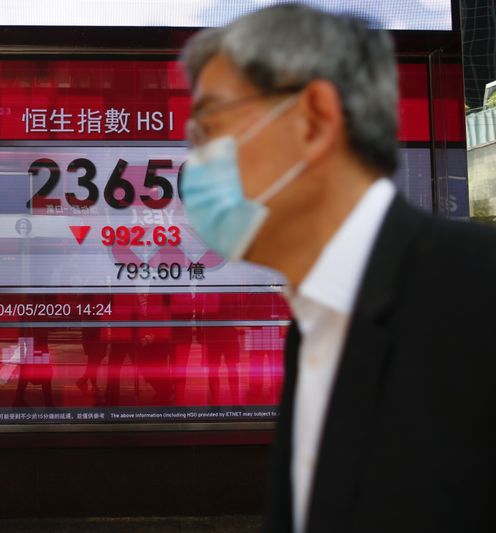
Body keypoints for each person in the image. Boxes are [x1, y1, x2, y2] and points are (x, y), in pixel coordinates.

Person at [180, 5, 496, 533]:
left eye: (211, 125)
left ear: (315, 121)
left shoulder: (479, 295)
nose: (194, 163)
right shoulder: (316, 324)